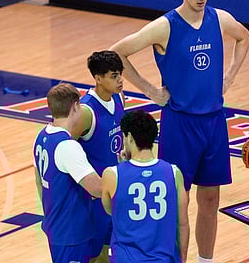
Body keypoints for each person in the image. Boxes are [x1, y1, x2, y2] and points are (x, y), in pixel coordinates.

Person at [110, 0, 249, 262]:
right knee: (177, 201)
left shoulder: (220, 18)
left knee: (210, 199)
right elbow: (116, 52)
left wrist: (231, 75)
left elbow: (244, 37)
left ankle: (206, 260)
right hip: (180, 124)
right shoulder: (165, 26)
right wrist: (149, 89)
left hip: (213, 122)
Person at [101, 110, 189, 262]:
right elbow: (182, 225)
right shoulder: (174, 173)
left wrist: (124, 167)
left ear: (129, 137)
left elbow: (110, 210)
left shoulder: (111, 174)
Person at [33, 82, 102, 263]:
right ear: (76, 106)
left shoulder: (41, 137)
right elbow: (97, 189)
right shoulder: (68, 146)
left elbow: (39, 181)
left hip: (57, 227)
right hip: (72, 233)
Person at [71, 50, 125, 262]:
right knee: (93, 256)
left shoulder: (119, 97)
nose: (120, 79)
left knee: (108, 253)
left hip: (116, 191)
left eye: (120, 73)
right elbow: (67, 150)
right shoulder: (86, 112)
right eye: (114, 76)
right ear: (98, 78)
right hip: (93, 199)